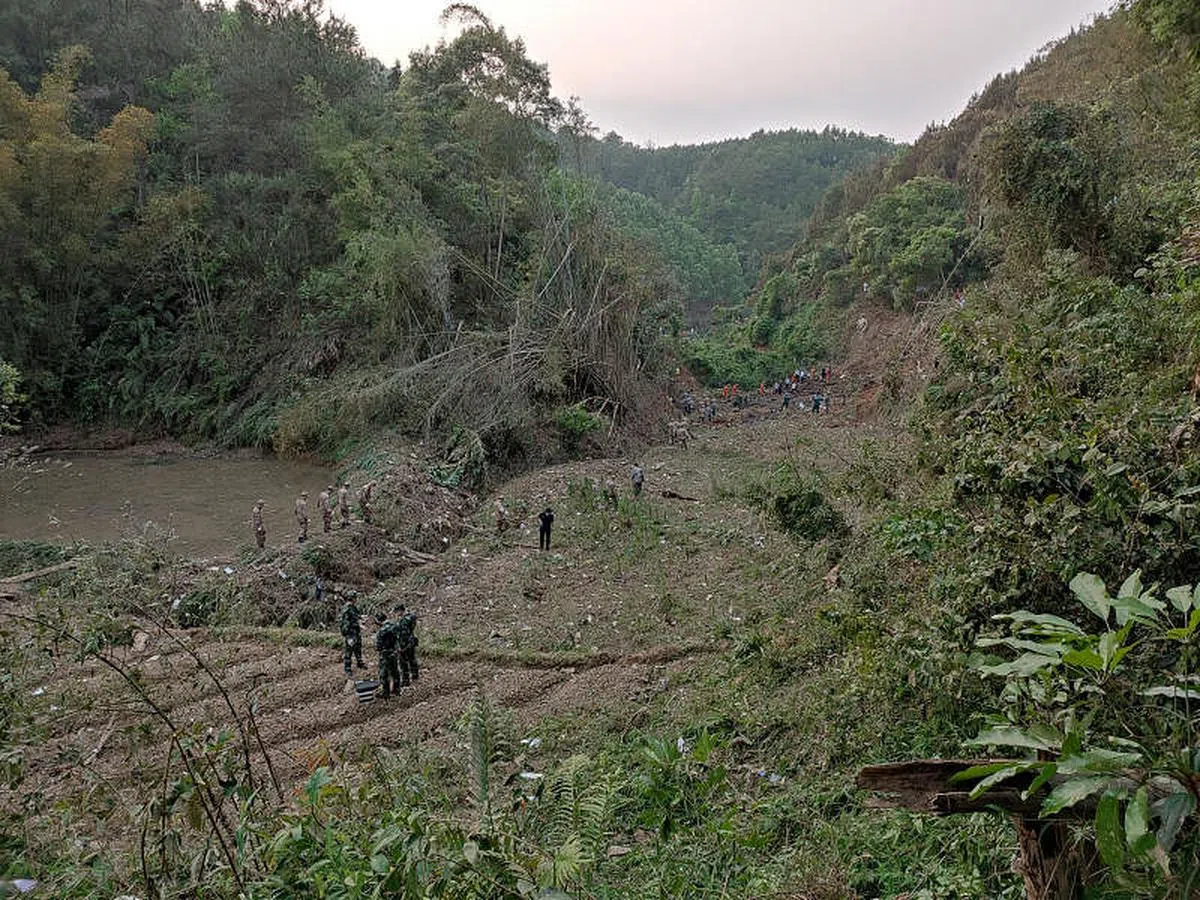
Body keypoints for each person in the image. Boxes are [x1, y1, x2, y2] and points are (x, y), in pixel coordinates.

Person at [374, 613, 402, 699]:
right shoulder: (395, 625)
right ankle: (396, 690)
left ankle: (385, 692)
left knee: (384, 673)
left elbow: (378, 646)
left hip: (385, 653)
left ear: (379, 621)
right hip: (394, 652)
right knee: (395, 671)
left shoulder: (381, 631)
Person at [339, 594, 366, 676]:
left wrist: (361, 617)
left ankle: (360, 663)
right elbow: (346, 623)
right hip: (350, 633)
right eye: (355, 598)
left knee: (358, 647)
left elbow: (355, 616)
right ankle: (347, 669)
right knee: (349, 651)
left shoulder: (353, 607)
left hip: (356, 632)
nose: (357, 599)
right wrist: (358, 625)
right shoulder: (346, 609)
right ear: (352, 598)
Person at [395, 604, 419, 685]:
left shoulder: (404, 621)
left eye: (396, 611)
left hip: (405, 644)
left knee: (403, 663)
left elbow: (403, 635)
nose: (396, 613)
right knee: (412, 659)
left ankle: (406, 681)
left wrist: (401, 647)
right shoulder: (411, 617)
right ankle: (415, 675)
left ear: (400, 610)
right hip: (411, 641)